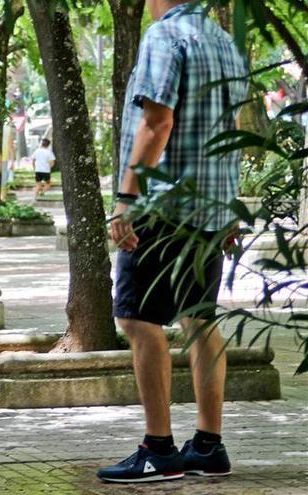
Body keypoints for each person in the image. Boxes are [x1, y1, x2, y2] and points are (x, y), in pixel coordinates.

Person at [100, 0, 248, 483]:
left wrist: (126, 198)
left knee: (138, 320)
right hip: (209, 210)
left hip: (162, 208)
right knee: (199, 320)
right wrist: (229, 206)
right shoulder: (224, 40)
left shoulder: (167, 36)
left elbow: (157, 121)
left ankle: (158, 449)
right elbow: (230, 131)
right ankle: (208, 445)